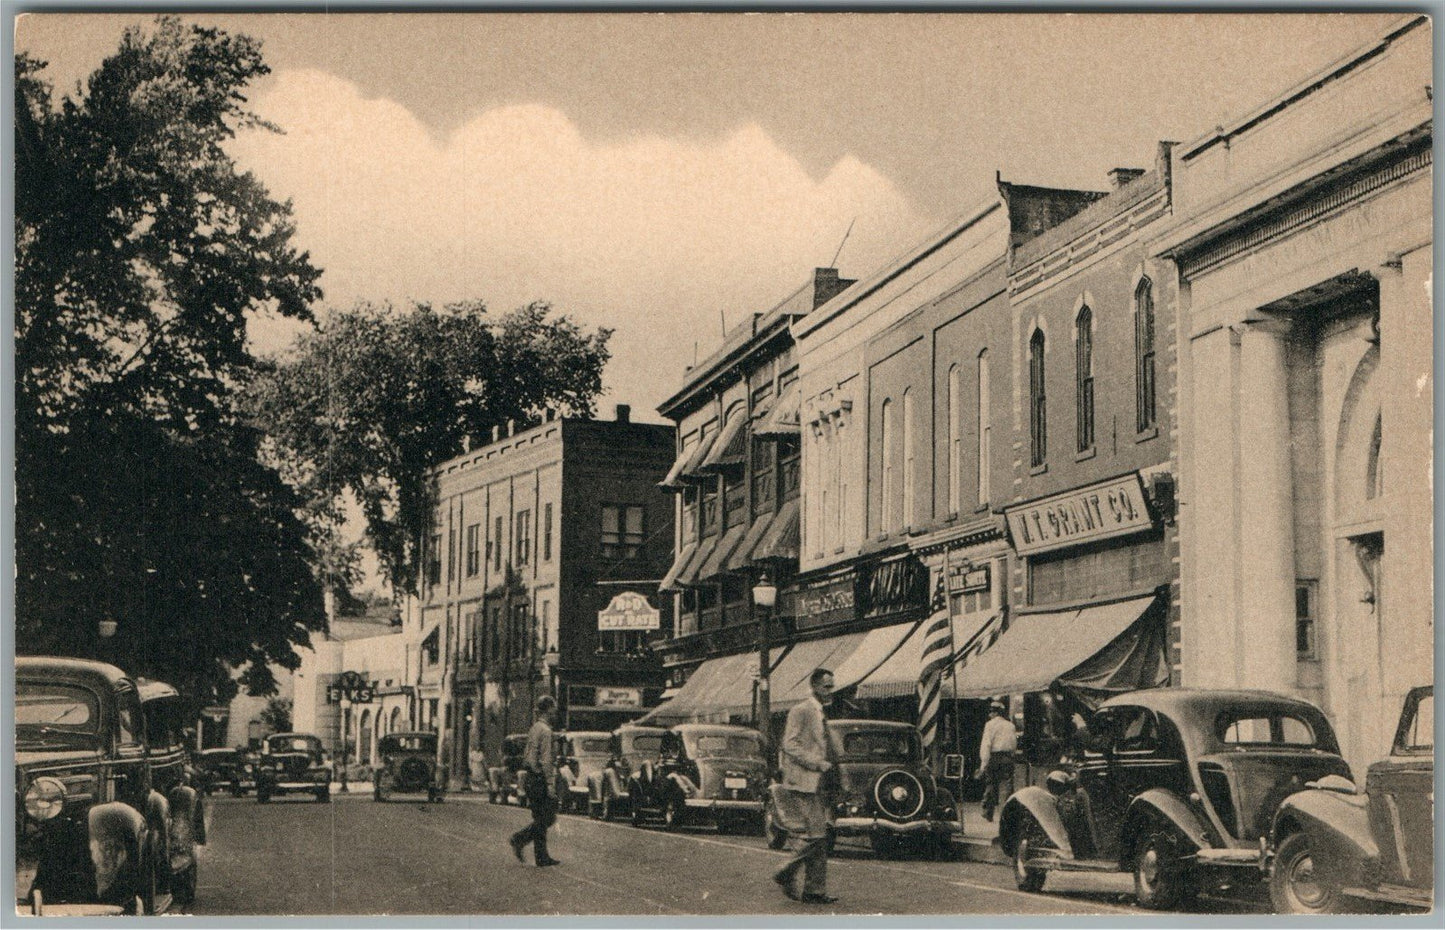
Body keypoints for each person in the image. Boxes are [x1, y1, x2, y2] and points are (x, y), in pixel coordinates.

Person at [771, 667, 838, 905]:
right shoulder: (801, 710)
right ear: (814, 687)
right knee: (817, 835)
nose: (831, 691)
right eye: (826, 686)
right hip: (803, 782)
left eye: (832, 686)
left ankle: (814, 891)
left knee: (820, 837)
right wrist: (817, 764)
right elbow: (789, 744)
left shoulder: (821, 713)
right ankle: (785, 871)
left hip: (817, 783)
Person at [508, 696, 561, 867]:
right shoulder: (546, 731)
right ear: (548, 710)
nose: (555, 713)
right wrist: (550, 783)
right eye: (553, 710)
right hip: (540, 778)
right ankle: (519, 839)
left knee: (541, 817)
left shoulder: (534, 728)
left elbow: (528, 755)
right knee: (547, 817)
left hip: (531, 776)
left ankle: (541, 856)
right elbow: (545, 760)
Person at [975, 699, 1017, 821]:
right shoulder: (1010, 725)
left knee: (991, 784)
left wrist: (984, 763)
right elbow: (1014, 743)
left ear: (994, 713)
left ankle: (988, 812)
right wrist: (1011, 755)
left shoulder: (990, 725)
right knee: (1008, 785)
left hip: (995, 757)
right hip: (1008, 757)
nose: (990, 715)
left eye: (991, 712)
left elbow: (986, 744)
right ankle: (1007, 813)